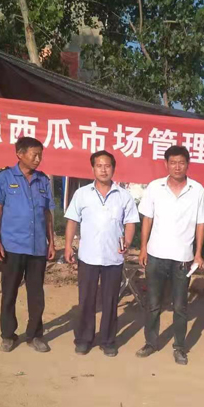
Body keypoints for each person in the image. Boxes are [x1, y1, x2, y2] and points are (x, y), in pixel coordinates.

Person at [136, 145, 204, 366]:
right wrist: (143, 248)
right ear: (166, 164)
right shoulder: (155, 187)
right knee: (153, 303)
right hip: (156, 254)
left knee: (180, 306)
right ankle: (151, 343)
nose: (177, 166)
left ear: (188, 164)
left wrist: (198, 253)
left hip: (183, 258)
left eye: (181, 162)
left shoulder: (197, 190)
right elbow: (147, 219)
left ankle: (179, 347)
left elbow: (200, 223)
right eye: (173, 162)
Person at [64, 150, 139, 357]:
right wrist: (68, 245)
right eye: (99, 166)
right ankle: (83, 339)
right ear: (93, 169)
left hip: (113, 257)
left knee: (110, 301)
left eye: (107, 166)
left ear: (113, 169)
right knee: (86, 300)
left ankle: (108, 341)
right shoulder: (82, 194)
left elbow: (130, 222)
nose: (103, 170)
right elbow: (72, 220)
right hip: (88, 257)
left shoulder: (123, 196)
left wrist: (128, 242)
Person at [0, 137, 55, 353]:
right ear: (20, 154)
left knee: (36, 296)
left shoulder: (43, 180)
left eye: (40, 154)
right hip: (12, 246)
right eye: (34, 154)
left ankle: (35, 335)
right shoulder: (4, 177)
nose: (38, 159)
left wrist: (52, 242)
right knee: (9, 293)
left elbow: (47, 214)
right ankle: (8, 335)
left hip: (37, 247)